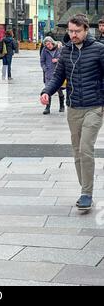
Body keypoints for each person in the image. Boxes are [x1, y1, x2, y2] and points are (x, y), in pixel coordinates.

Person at [40, 14, 104, 211]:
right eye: (70, 31)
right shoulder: (66, 51)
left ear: (86, 30)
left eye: (77, 31)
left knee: (86, 148)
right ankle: (84, 189)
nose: (73, 35)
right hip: (74, 107)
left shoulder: (99, 50)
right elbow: (59, 76)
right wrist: (46, 91)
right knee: (77, 151)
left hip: (94, 106)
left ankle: (86, 194)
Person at [40, 36, 64, 114]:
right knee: (47, 90)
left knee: (59, 90)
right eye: (46, 45)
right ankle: (47, 108)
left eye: (49, 44)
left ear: (52, 42)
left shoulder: (59, 48)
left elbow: (64, 58)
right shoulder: (44, 50)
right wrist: (45, 69)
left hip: (58, 72)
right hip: (48, 73)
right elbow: (42, 61)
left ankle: (62, 105)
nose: (48, 46)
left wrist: (57, 59)